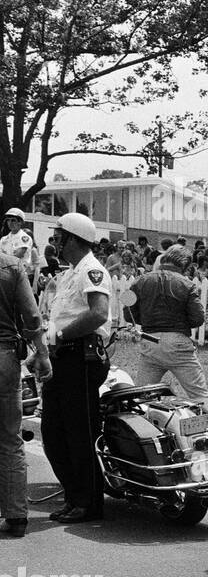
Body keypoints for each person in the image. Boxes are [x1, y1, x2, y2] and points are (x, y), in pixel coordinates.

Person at [41, 212, 111, 524]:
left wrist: (62, 334)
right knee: (53, 432)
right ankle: (74, 495)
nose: (55, 242)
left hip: (81, 358)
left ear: (73, 239)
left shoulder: (92, 270)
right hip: (63, 358)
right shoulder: (71, 273)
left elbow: (98, 314)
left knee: (79, 432)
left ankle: (88, 502)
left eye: (59, 237)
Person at [1, 239, 50, 536]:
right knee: (10, 438)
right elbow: (32, 316)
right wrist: (42, 353)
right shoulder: (12, 265)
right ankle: (17, 515)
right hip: (6, 357)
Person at [125, 245, 208, 400]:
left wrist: (146, 319)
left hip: (150, 341)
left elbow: (128, 312)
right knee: (200, 397)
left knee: (142, 398)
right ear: (185, 264)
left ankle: (142, 423)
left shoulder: (140, 281)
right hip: (178, 342)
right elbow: (198, 318)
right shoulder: (187, 284)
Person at [1, 209, 36, 285]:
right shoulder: (4, 239)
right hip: (5, 275)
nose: (10, 223)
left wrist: (4, 256)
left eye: (13, 220)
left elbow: (17, 256)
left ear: (20, 222)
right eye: (8, 220)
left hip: (21, 275)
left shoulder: (24, 237)